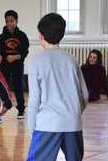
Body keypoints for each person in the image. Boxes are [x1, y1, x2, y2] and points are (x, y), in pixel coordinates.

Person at [27, 13, 88, 161]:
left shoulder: (35, 62)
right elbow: (84, 95)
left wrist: (32, 129)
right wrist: (73, 113)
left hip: (47, 125)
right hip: (73, 123)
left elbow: (34, 99)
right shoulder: (72, 60)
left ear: (41, 36)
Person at [0, 10, 29, 122]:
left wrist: (15, 57)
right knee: (2, 86)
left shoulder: (22, 36)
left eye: (12, 21)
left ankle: (21, 109)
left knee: (18, 86)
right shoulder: (1, 37)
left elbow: (25, 52)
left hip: (18, 65)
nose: (9, 23)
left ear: (16, 21)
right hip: (5, 65)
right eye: (7, 21)